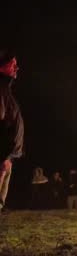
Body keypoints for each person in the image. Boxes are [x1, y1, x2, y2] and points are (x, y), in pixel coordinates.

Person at [0, 49, 24, 212]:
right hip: (3, 156)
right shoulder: (0, 90)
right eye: (13, 64)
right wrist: (3, 155)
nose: (17, 68)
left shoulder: (5, 90)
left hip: (7, 155)